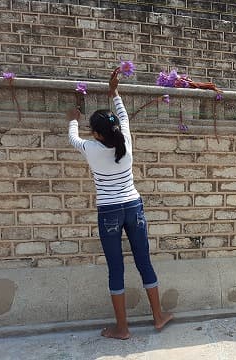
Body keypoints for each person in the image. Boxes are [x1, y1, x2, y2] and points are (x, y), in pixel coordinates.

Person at [67, 68, 173, 339]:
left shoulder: (91, 149)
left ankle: (122, 329)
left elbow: (73, 139)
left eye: (93, 130)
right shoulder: (126, 140)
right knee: (144, 262)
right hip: (133, 206)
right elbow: (123, 116)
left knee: (116, 269)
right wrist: (113, 92)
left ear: (99, 135)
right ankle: (158, 316)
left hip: (109, 212)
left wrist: (72, 119)